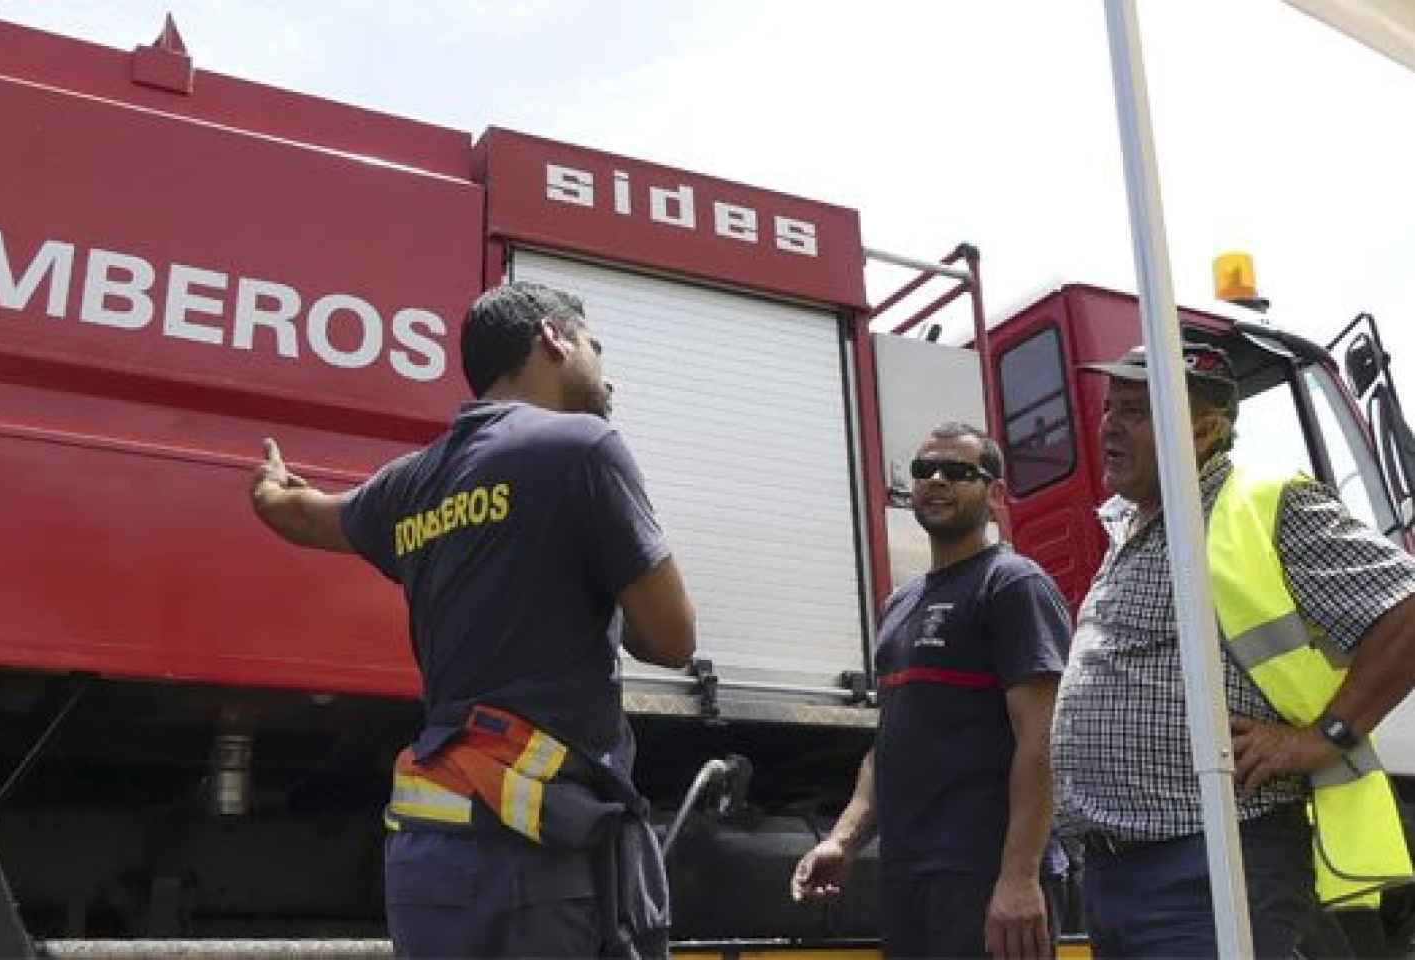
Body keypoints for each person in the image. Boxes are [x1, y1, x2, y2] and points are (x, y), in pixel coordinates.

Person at [250, 280, 696, 958]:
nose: (607, 374)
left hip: (431, 849)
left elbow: (304, 516)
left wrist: (268, 489)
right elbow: (671, 641)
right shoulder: (583, 448)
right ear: (552, 337)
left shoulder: (411, 482)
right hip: (536, 855)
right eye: (594, 347)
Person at [1052, 341, 1415, 958]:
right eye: (1110, 406)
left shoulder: (1263, 502)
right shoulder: (1129, 524)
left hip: (1213, 859)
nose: (1110, 422)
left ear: (1203, 431)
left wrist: (1322, 737)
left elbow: (1407, 612)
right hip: (1117, 876)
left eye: (1137, 409)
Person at [790, 422, 1071, 959]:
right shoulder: (900, 604)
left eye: (958, 472)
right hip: (910, 876)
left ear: (993, 494)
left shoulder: (1013, 586)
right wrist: (842, 839)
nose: (937, 480)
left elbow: (1042, 742)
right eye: (925, 470)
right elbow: (889, 744)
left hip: (983, 878)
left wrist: (1018, 878)